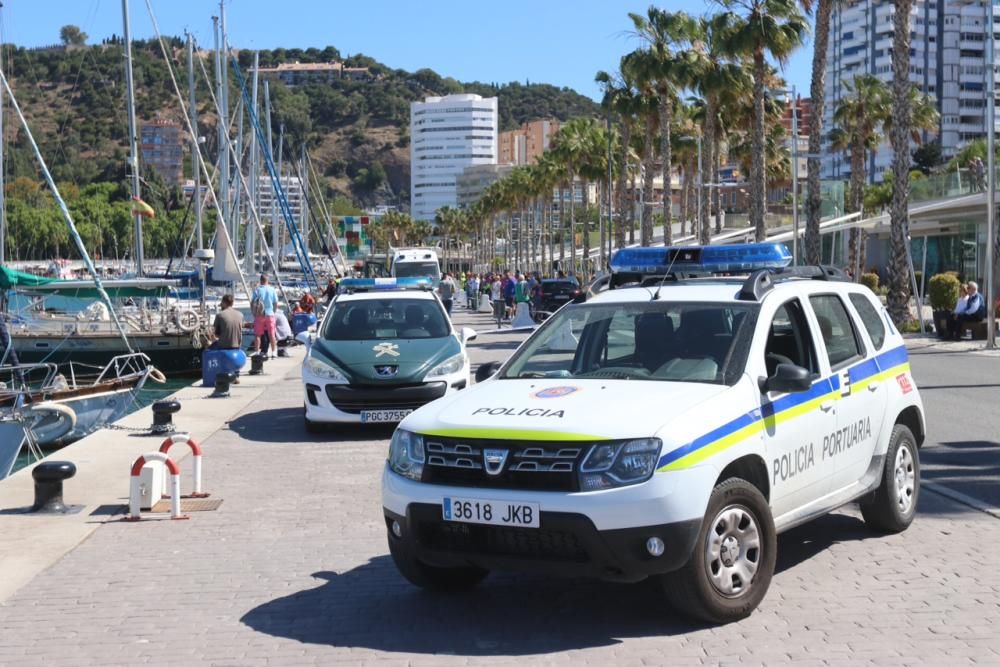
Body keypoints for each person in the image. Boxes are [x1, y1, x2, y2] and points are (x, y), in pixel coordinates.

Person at [252, 274, 280, 358]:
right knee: (271, 334)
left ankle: (257, 352)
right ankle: (274, 352)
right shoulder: (272, 289)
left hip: (259, 314)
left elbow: (253, 302)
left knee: (257, 334)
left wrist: (254, 313)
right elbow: (275, 303)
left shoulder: (257, 290)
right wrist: (273, 312)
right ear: (267, 280)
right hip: (270, 314)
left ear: (260, 280)